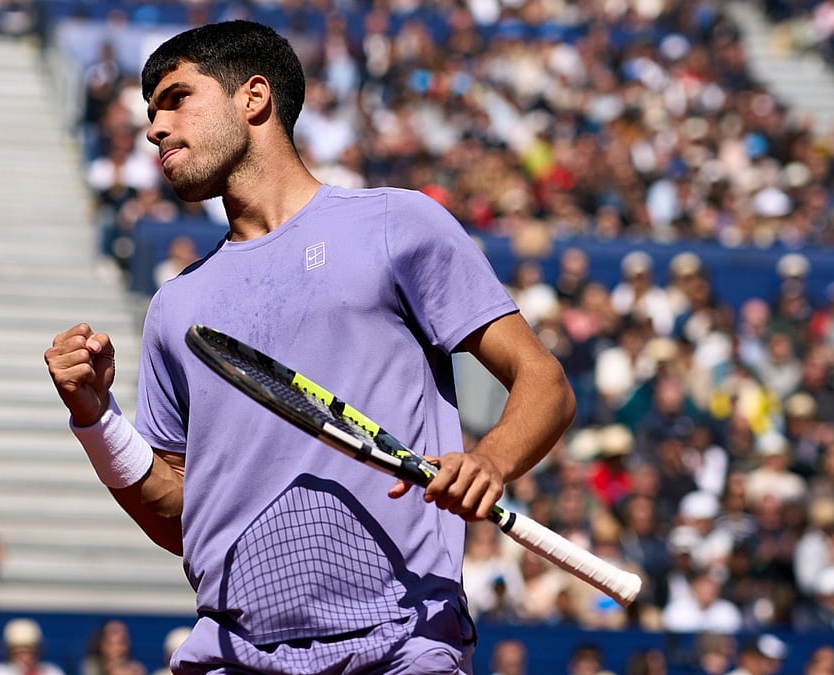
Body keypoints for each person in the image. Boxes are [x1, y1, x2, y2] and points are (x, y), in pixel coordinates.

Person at [45, 20, 575, 674]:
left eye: (177, 98)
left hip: (402, 641)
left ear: (254, 97)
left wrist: (490, 459)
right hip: (233, 655)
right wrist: (94, 417)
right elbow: (179, 517)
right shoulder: (173, 307)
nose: (155, 126)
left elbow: (543, 380)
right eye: (150, 110)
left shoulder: (397, 225)